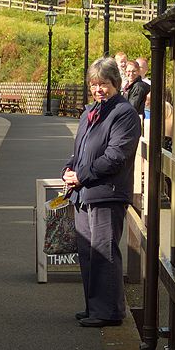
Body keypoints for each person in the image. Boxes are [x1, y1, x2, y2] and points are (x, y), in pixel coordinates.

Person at [62, 57, 141, 327]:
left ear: (116, 84)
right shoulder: (89, 112)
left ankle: (109, 312)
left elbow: (116, 156)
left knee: (104, 252)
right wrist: (69, 169)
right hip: (85, 192)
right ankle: (94, 307)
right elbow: (81, 149)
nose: (98, 90)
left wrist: (81, 175)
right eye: (94, 85)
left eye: (104, 84)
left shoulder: (124, 114)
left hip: (108, 193)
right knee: (87, 252)